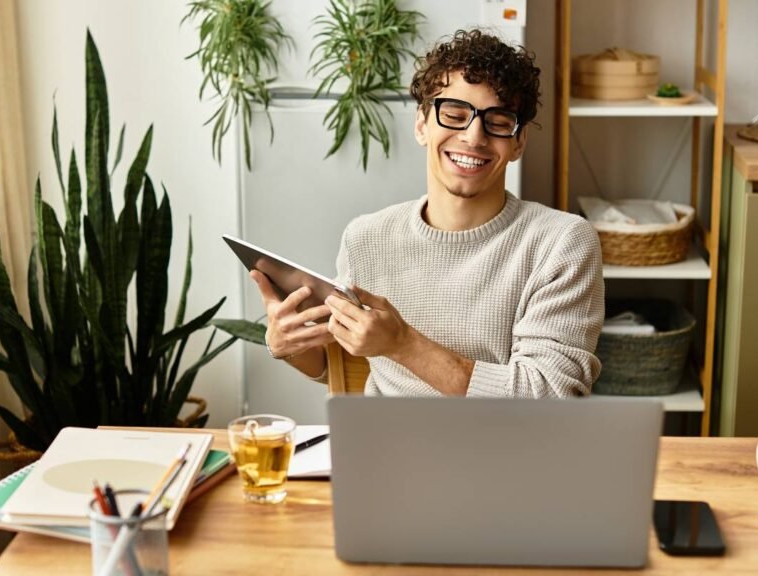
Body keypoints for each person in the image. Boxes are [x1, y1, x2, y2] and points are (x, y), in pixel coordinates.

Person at [250, 29, 604, 398]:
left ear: (518, 142)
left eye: (497, 122)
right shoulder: (366, 237)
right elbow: (339, 360)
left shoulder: (562, 243)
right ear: (421, 125)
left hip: (505, 452)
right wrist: (288, 343)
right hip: (388, 448)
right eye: (454, 114)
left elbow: (550, 397)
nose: (473, 136)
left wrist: (404, 344)